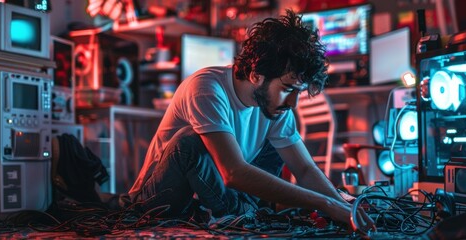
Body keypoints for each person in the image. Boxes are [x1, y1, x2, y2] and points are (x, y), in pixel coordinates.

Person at [127, 9, 375, 233]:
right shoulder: (206, 88)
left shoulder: (274, 107)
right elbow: (233, 173)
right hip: (157, 201)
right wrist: (323, 203)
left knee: (278, 145)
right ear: (256, 74)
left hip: (215, 198)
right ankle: (242, 214)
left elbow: (305, 169)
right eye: (288, 89)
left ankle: (240, 214)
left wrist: (343, 206)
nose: (293, 104)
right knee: (188, 143)